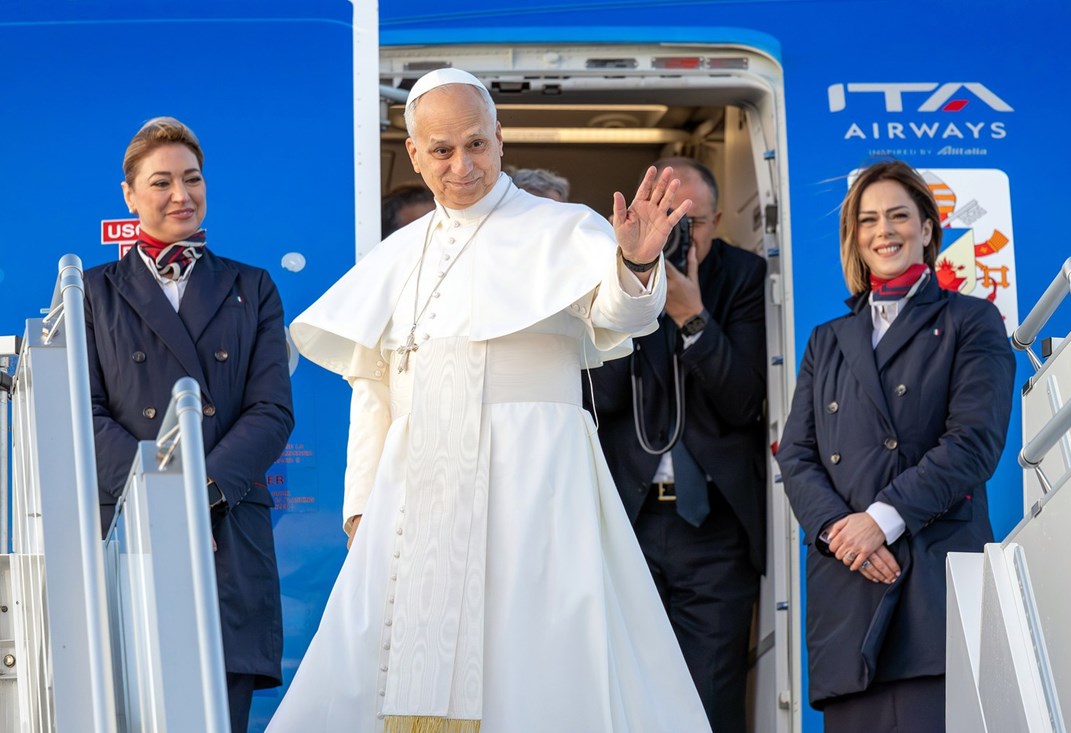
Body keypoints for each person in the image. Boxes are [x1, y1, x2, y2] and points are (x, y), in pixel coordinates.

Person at [268, 68, 711, 732]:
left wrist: (639, 266)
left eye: (476, 144)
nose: (462, 164)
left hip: (534, 482)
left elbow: (621, 314)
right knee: (387, 665)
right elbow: (376, 382)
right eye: (442, 150)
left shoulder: (562, 228)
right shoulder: (399, 254)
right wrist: (362, 504)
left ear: (500, 139)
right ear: (414, 154)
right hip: (418, 493)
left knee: (537, 661)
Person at [775, 160, 1015, 732]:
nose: (884, 231)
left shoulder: (972, 321)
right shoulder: (826, 340)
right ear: (855, 238)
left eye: (899, 216)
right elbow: (796, 454)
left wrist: (881, 520)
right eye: (869, 220)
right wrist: (840, 531)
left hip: (929, 579)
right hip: (848, 583)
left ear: (928, 229)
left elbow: (973, 443)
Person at [84, 117, 295, 733]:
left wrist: (199, 497)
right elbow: (86, 414)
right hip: (129, 527)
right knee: (127, 702)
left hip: (224, 524)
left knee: (215, 707)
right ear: (129, 196)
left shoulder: (251, 287)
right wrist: (157, 500)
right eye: (162, 182)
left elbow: (272, 411)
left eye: (193, 178)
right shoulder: (91, 293)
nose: (181, 194)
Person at [586, 156, 767, 733]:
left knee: (711, 696)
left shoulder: (743, 278)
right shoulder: (608, 277)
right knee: (625, 690)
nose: (682, 235)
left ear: (719, 220)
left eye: (695, 222)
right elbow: (600, 398)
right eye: (668, 218)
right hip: (629, 517)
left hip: (713, 524)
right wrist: (636, 288)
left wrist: (691, 317)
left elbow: (744, 401)